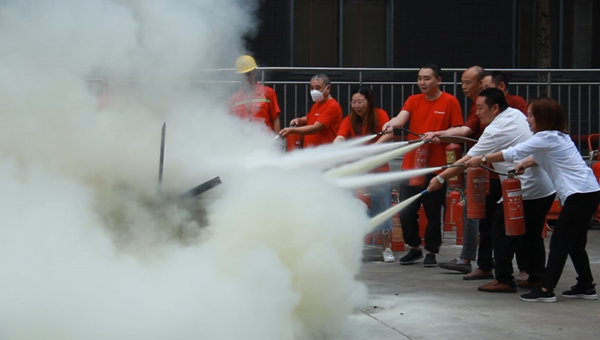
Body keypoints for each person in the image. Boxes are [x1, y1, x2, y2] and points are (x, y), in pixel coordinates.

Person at [465, 97, 600, 302]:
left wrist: (482, 158)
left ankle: (546, 289)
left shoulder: (545, 136)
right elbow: (540, 156)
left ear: (542, 117)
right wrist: (526, 164)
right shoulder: (558, 136)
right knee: (575, 243)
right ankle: (586, 285)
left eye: (530, 115)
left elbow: (513, 152)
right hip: (588, 192)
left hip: (579, 196)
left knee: (559, 243)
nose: (527, 119)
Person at [428, 88, 556, 293]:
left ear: (495, 108)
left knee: (500, 229)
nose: (477, 113)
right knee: (530, 235)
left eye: (480, 108)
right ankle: (536, 276)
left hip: (525, 188)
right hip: (544, 187)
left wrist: (440, 178)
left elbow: (466, 160)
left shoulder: (494, 131)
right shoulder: (515, 114)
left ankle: (504, 279)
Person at [380, 63, 464, 267]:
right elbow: (402, 117)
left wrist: (440, 136)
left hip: (435, 168)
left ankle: (431, 251)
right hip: (411, 165)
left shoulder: (450, 102)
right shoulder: (413, 100)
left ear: (438, 81)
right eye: (419, 78)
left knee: (433, 212)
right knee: (407, 210)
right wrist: (391, 123)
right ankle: (414, 247)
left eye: (427, 78)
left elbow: (458, 130)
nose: (422, 82)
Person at [422, 65, 487, 276]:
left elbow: (465, 131)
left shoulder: (494, 109)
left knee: (484, 218)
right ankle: (471, 260)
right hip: (482, 167)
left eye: (468, 82)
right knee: (473, 213)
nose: (463, 87)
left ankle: (482, 263)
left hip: (493, 170)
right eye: (462, 82)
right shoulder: (476, 107)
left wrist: (441, 177)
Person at [334, 85, 394, 262]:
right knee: (350, 209)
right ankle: (352, 249)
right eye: (353, 102)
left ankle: (387, 249)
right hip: (357, 173)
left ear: (369, 101)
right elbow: (340, 137)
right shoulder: (349, 120)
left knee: (382, 208)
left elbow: (389, 135)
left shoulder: (380, 115)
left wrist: (371, 150)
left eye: (360, 101)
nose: (356, 105)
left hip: (379, 172)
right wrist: (338, 145)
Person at [279, 74, 342, 147]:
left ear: (328, 88)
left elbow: (315, 128)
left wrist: (291, 130)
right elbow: (309, 117)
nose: (314, 91)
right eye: (312, 88)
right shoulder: (317, 104)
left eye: (318, 88)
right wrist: (299, 120)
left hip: (324, 152)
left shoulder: (332, 106)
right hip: (312, 152)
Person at [229, 55, 281, 133]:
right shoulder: (234, 98)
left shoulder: (268, 93)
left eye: (248, 74)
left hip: (264, 139)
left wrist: (277, 142)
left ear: (254, 73)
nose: (246, 77)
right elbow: (230, 123)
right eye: (243, 75)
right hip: (241, 140)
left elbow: (275, 119)